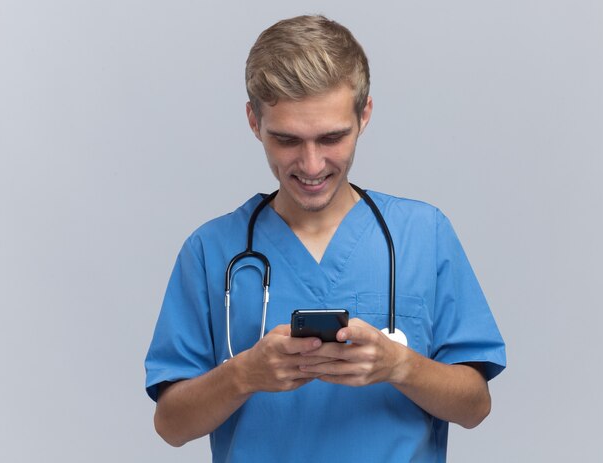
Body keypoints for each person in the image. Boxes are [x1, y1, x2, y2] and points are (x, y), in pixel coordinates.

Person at [145, 15, 506, 462]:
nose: (311, 165)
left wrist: (400, 366)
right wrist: (244, 374)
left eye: (332, 137)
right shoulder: (212, 250)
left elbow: (475, 407)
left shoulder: (423, 235)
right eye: (287, 140)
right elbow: (171, 426)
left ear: (364, 115)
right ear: (254, 122)